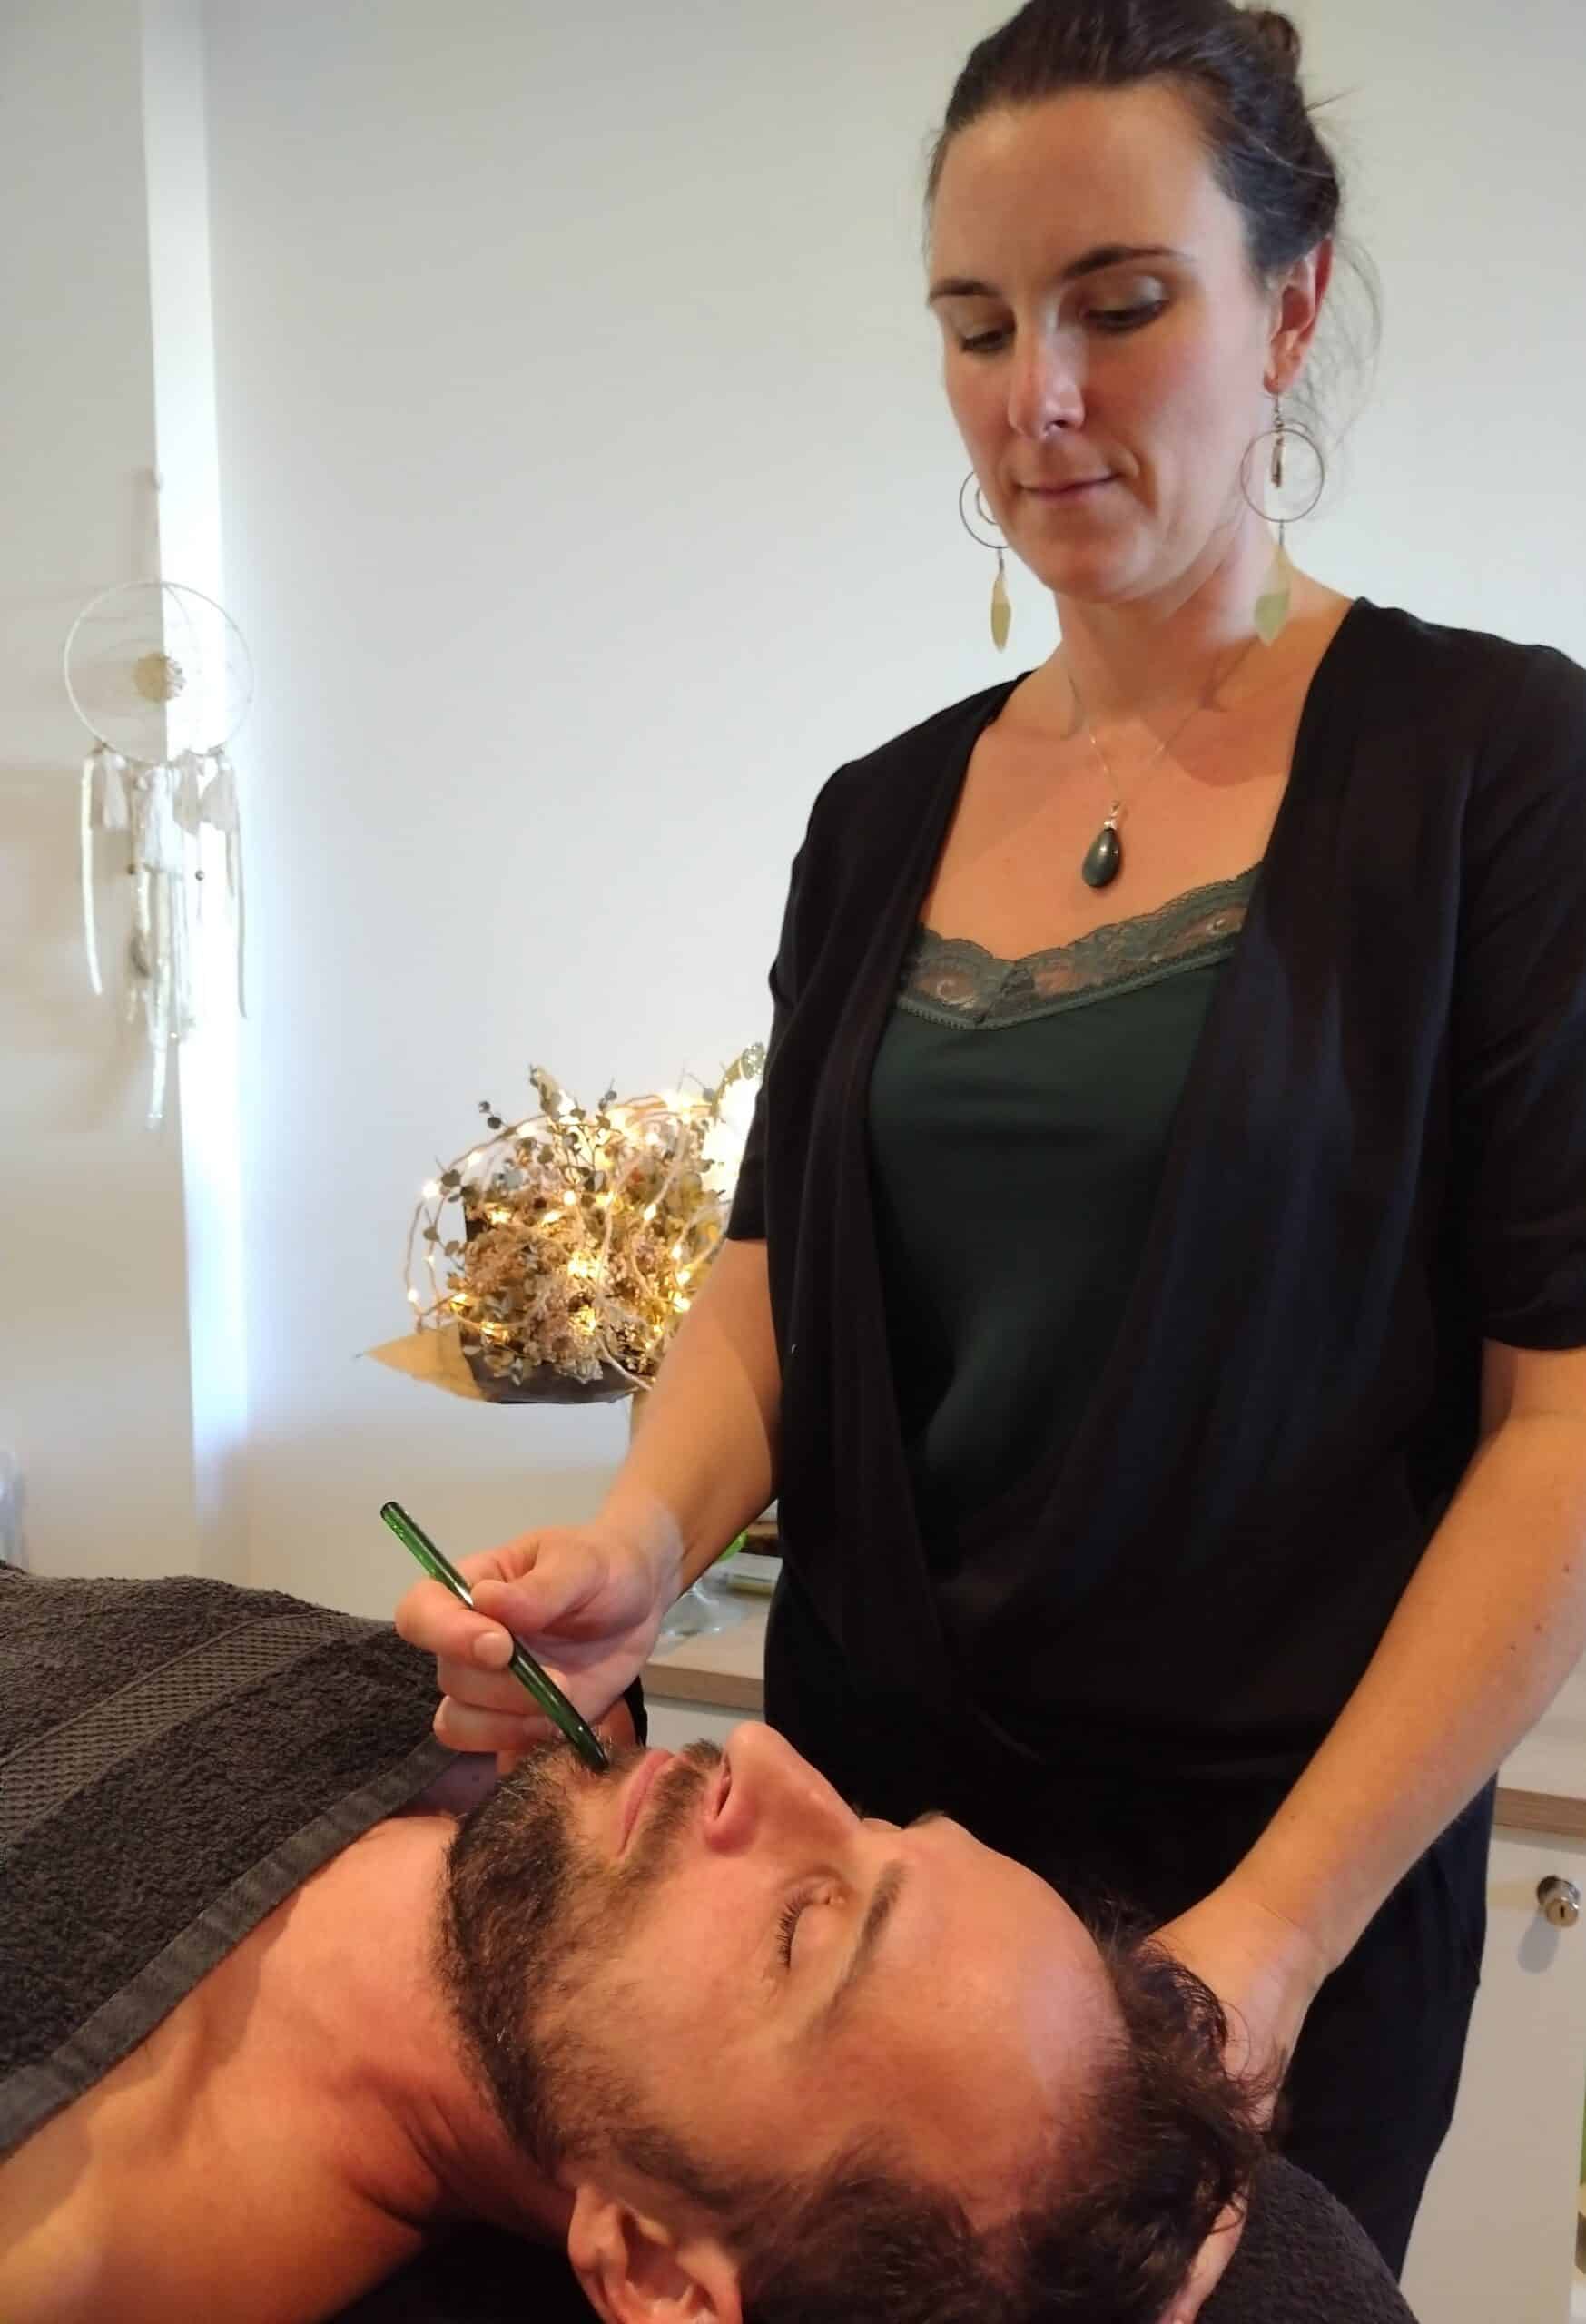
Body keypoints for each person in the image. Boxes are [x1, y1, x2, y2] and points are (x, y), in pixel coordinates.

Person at [397, 0, 1586, 2280]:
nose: (1034, 395)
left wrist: (1274, 1937)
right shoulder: (878, 816)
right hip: (876, 1862)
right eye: (975, 325)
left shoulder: (1490, 770)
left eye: (1116, 307)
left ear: (1290, 308)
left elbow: (1564, 1419)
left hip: (1276, 1898)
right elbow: (774, 1281)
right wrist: (644, 1536)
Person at [0, 1563, 1421, 2324]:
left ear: (660, 2275)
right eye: (871, 1826)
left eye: (804, 1929)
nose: (760, 1757)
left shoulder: (63, 2229)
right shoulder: (435, 1718)